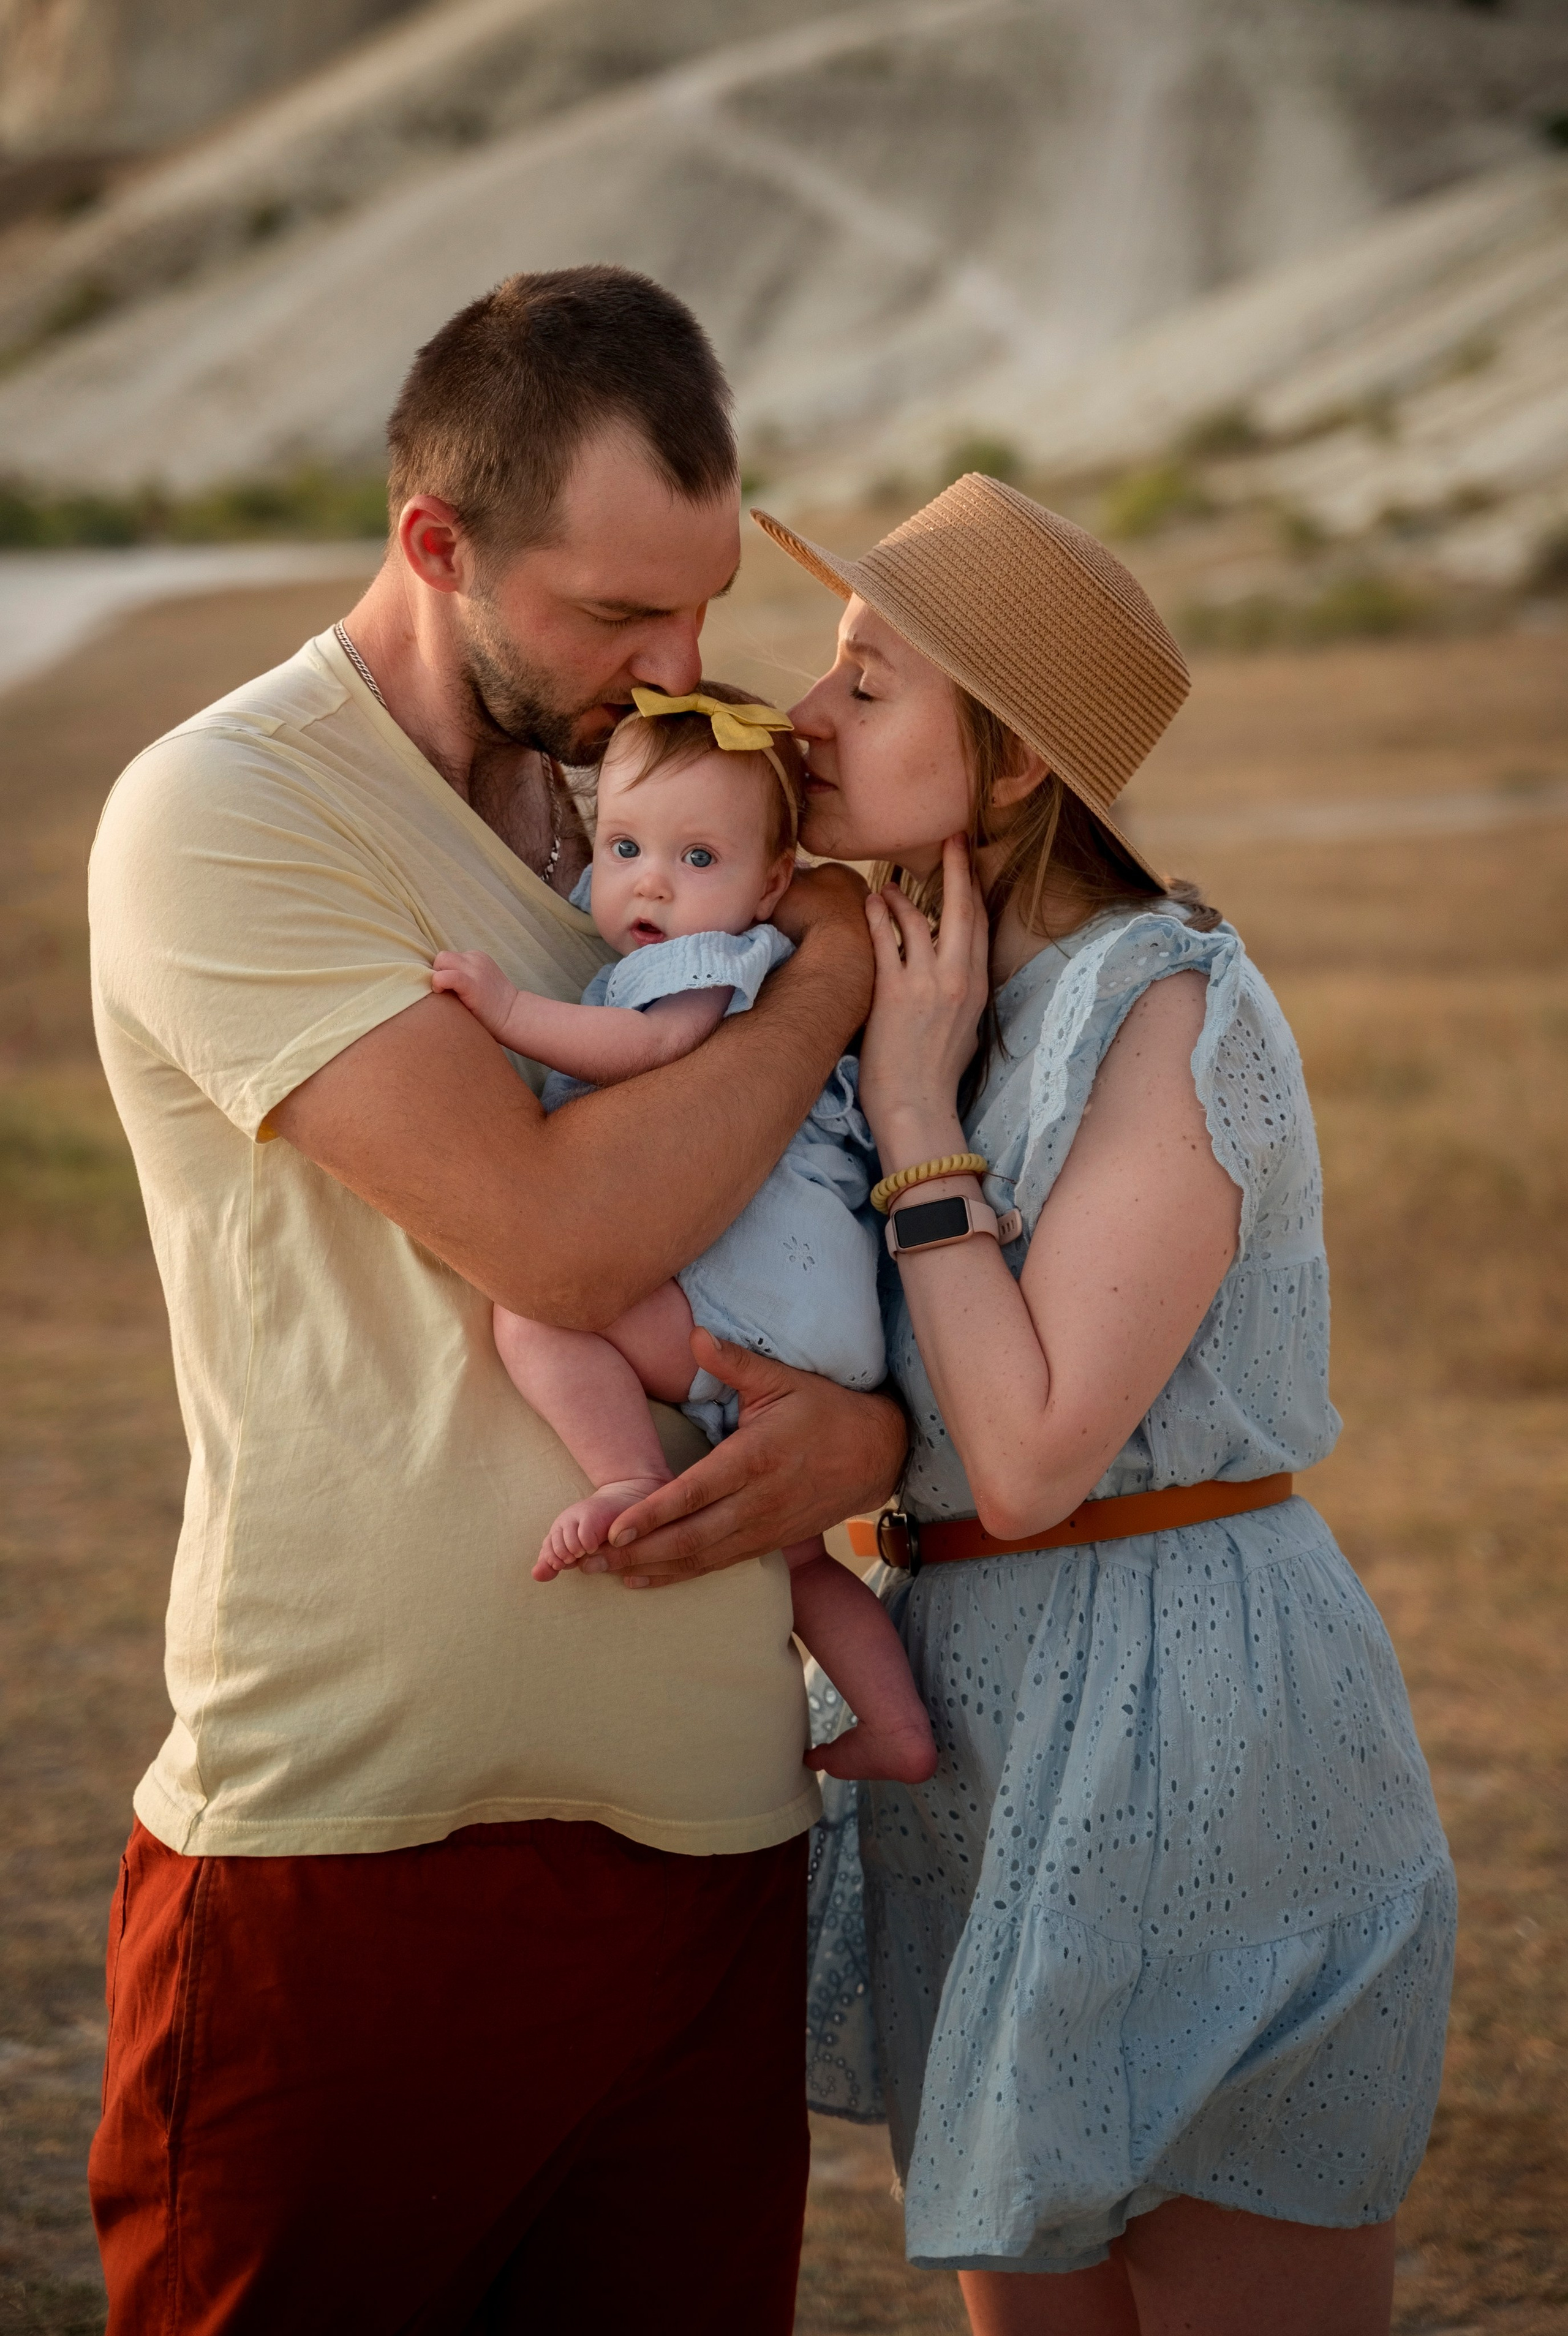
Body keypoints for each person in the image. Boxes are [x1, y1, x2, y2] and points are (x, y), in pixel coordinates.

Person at [85, 265, 905, 2335]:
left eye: (705, 606)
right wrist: (821, 973)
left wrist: (864, 1433)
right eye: (619, 613)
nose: (682, 671)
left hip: (716, 1822)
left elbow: (810, 1228)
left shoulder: (663, 797)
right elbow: (554, 1240)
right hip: (361, 1830)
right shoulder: (232, 807)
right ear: (437, 542)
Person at [745, 475, 1457, 2336]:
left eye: (867, 685)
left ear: (1008, 766)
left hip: (1189, 1704)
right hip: (980, 1722)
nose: (805, 715)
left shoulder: (1166, 1004)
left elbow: (1035, 1454)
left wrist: (918, 1119)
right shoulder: (925, 988)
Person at [431, 681, 937, 1784]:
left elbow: (648, 1049)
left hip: (750, 1308)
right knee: (803, 1558)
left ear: (771, 884)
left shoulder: (708, 966)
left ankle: (619, 1474)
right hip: (815, 1327)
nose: (651, 881)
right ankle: (897, 1724)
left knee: (536, 1316)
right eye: (624, 847)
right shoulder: (724, 937)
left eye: (698, 857)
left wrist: (510, 1011)